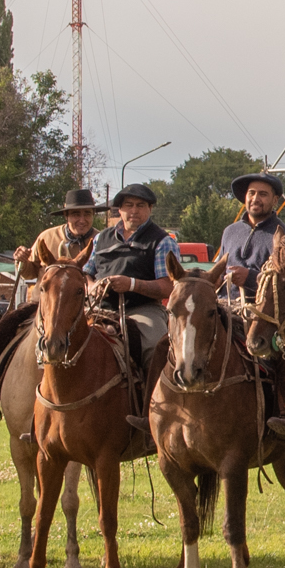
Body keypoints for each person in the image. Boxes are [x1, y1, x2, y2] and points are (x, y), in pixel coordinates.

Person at [0, 188, 105, 437]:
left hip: (83, 310)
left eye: (87, 214)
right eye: (76, 214)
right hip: (39, 309)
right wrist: (22, 260)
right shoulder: (47, 237)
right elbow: (29, 272)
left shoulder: (102, 240)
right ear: (66, 216)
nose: (82, 219)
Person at [84, 184, 180, 447]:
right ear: (119, 209)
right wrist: (91, 287)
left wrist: (132, 284)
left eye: (140, 206)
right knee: (63, 342)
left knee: (155, 347)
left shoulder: (162, 240)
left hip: (143, 310)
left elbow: (169, 286)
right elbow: (86, 272)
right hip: (101, 309)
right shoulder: (101, 239)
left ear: (150, 209)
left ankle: (157, 415)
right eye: (128, 205)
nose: (134, 211)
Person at [219, 172, 285, 306]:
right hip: (224, 308)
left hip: (261, 312)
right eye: (251, 193)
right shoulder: (230, 231)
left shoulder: (284, 236)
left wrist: (250, 278)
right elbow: (220, 272)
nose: (255, 199)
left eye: (263, 194)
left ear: (275, 200)